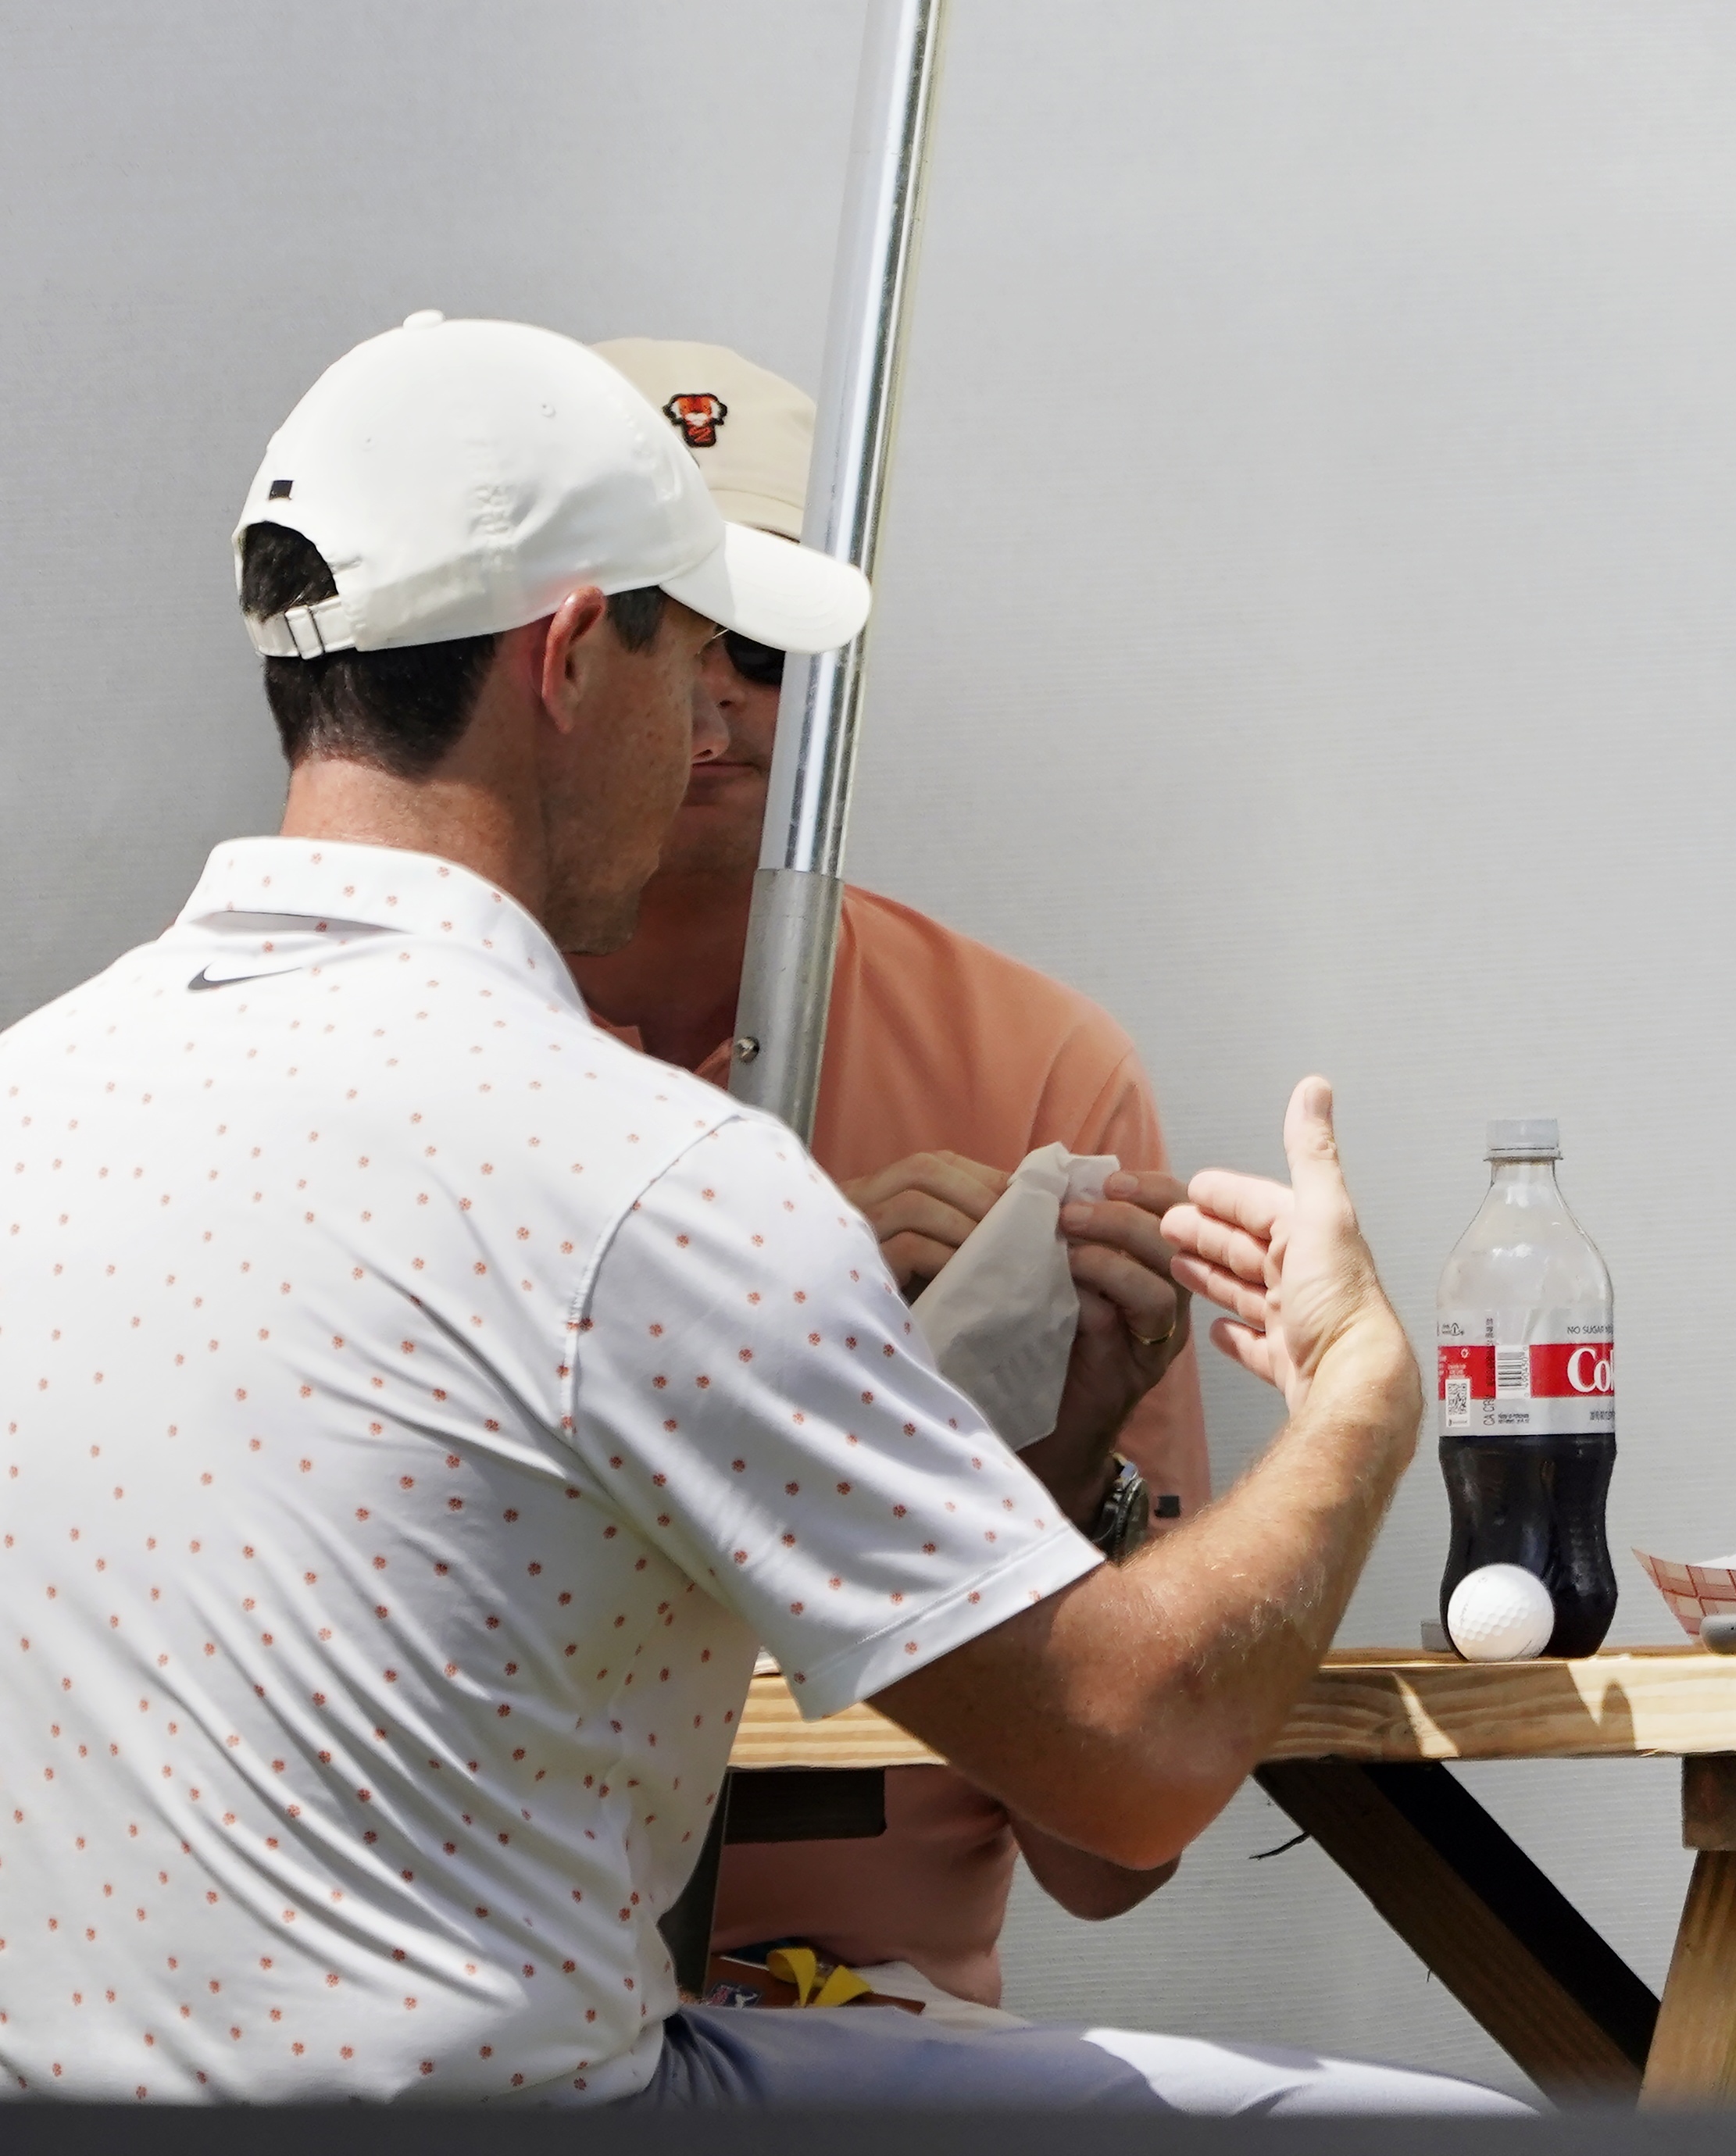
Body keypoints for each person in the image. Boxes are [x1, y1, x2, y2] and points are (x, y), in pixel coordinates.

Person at [0, 311, 1514, 2111]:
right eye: (684, 647)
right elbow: (1143, 1756)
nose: (714, 711)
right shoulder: (647, 1169)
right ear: (573, 659)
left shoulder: (33, 1093)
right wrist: (1358, 1396)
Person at [574, 338, 1204, 2011]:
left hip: (892, 2037)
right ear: (547, 661)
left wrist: (1054, 1469)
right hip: (496, 2038)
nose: (709, 696)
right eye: (648, 622)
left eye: (768, 640)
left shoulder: (1042, 1071)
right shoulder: (401, 1068)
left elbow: (1120, 1848)